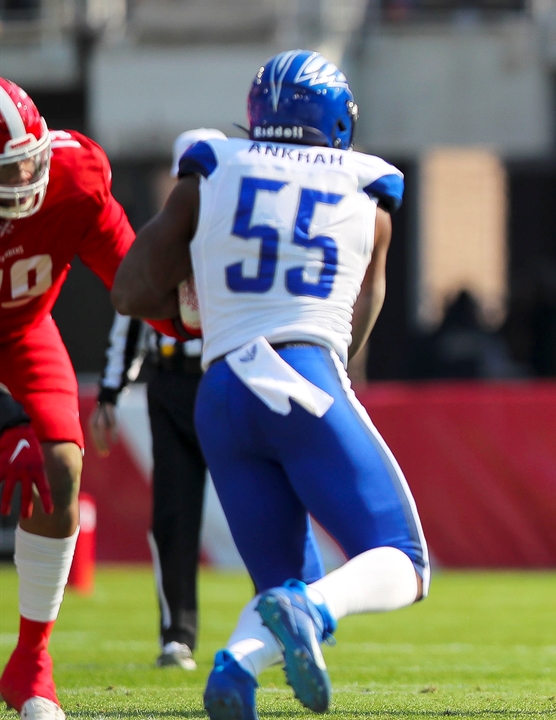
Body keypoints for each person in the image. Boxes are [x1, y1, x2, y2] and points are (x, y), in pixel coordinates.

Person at [110, 50, 427, 720]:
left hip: (220, 391)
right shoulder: (371, 191)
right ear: (338, 120)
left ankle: (235, 668)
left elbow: (131, 290)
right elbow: (363, 305)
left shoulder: (211, 167)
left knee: (283, 578)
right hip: (303, 374)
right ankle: (309, 609)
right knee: (403, 561)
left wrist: (195, 296)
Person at [0, 77, 143, 720]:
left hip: (23, 328)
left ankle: (31, 663)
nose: (27, 176)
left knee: (60, 462)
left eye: (26, 158)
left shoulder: (72, 174)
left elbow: (133, 274)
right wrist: (6, 420)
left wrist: (189, 315)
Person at [91, 129, 229, 672]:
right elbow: (129, 315)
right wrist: (110, 391)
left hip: (226, 378)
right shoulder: (160, 234)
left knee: (260, 503)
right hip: (171, 386)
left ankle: (290, 614)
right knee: (173, 514)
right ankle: (178, 634)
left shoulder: (236, 230)